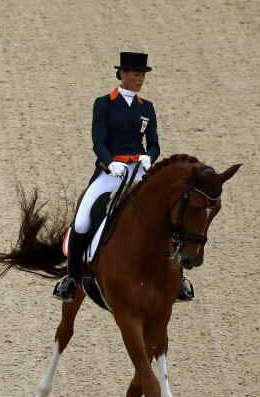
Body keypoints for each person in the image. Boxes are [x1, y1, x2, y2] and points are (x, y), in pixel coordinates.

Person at [52, 51, 194, 302]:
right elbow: (98, 141)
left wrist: (150, 156)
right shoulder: (104, 103)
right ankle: (71, 279)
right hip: (110, 172)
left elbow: (153, 143)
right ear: (122, 74)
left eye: (143, 75)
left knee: (169, 214)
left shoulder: (146, 107)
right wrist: (110, 163)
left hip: (139, 171)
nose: (140, 79)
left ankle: (179, 278)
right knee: (83, 219)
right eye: (136, 74)